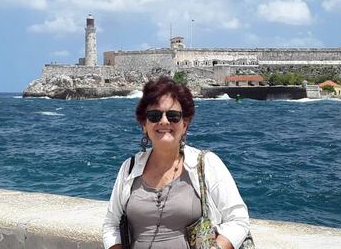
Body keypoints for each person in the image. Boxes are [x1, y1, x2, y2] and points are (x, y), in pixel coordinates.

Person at [103, 76, 249, 249]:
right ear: (144, 124)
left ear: (185, 124)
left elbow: (238, 219)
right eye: (154, 115)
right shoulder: (130, 168)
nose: (164, 121)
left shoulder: (206, 164)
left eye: (173, 116)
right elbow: (111, 224)